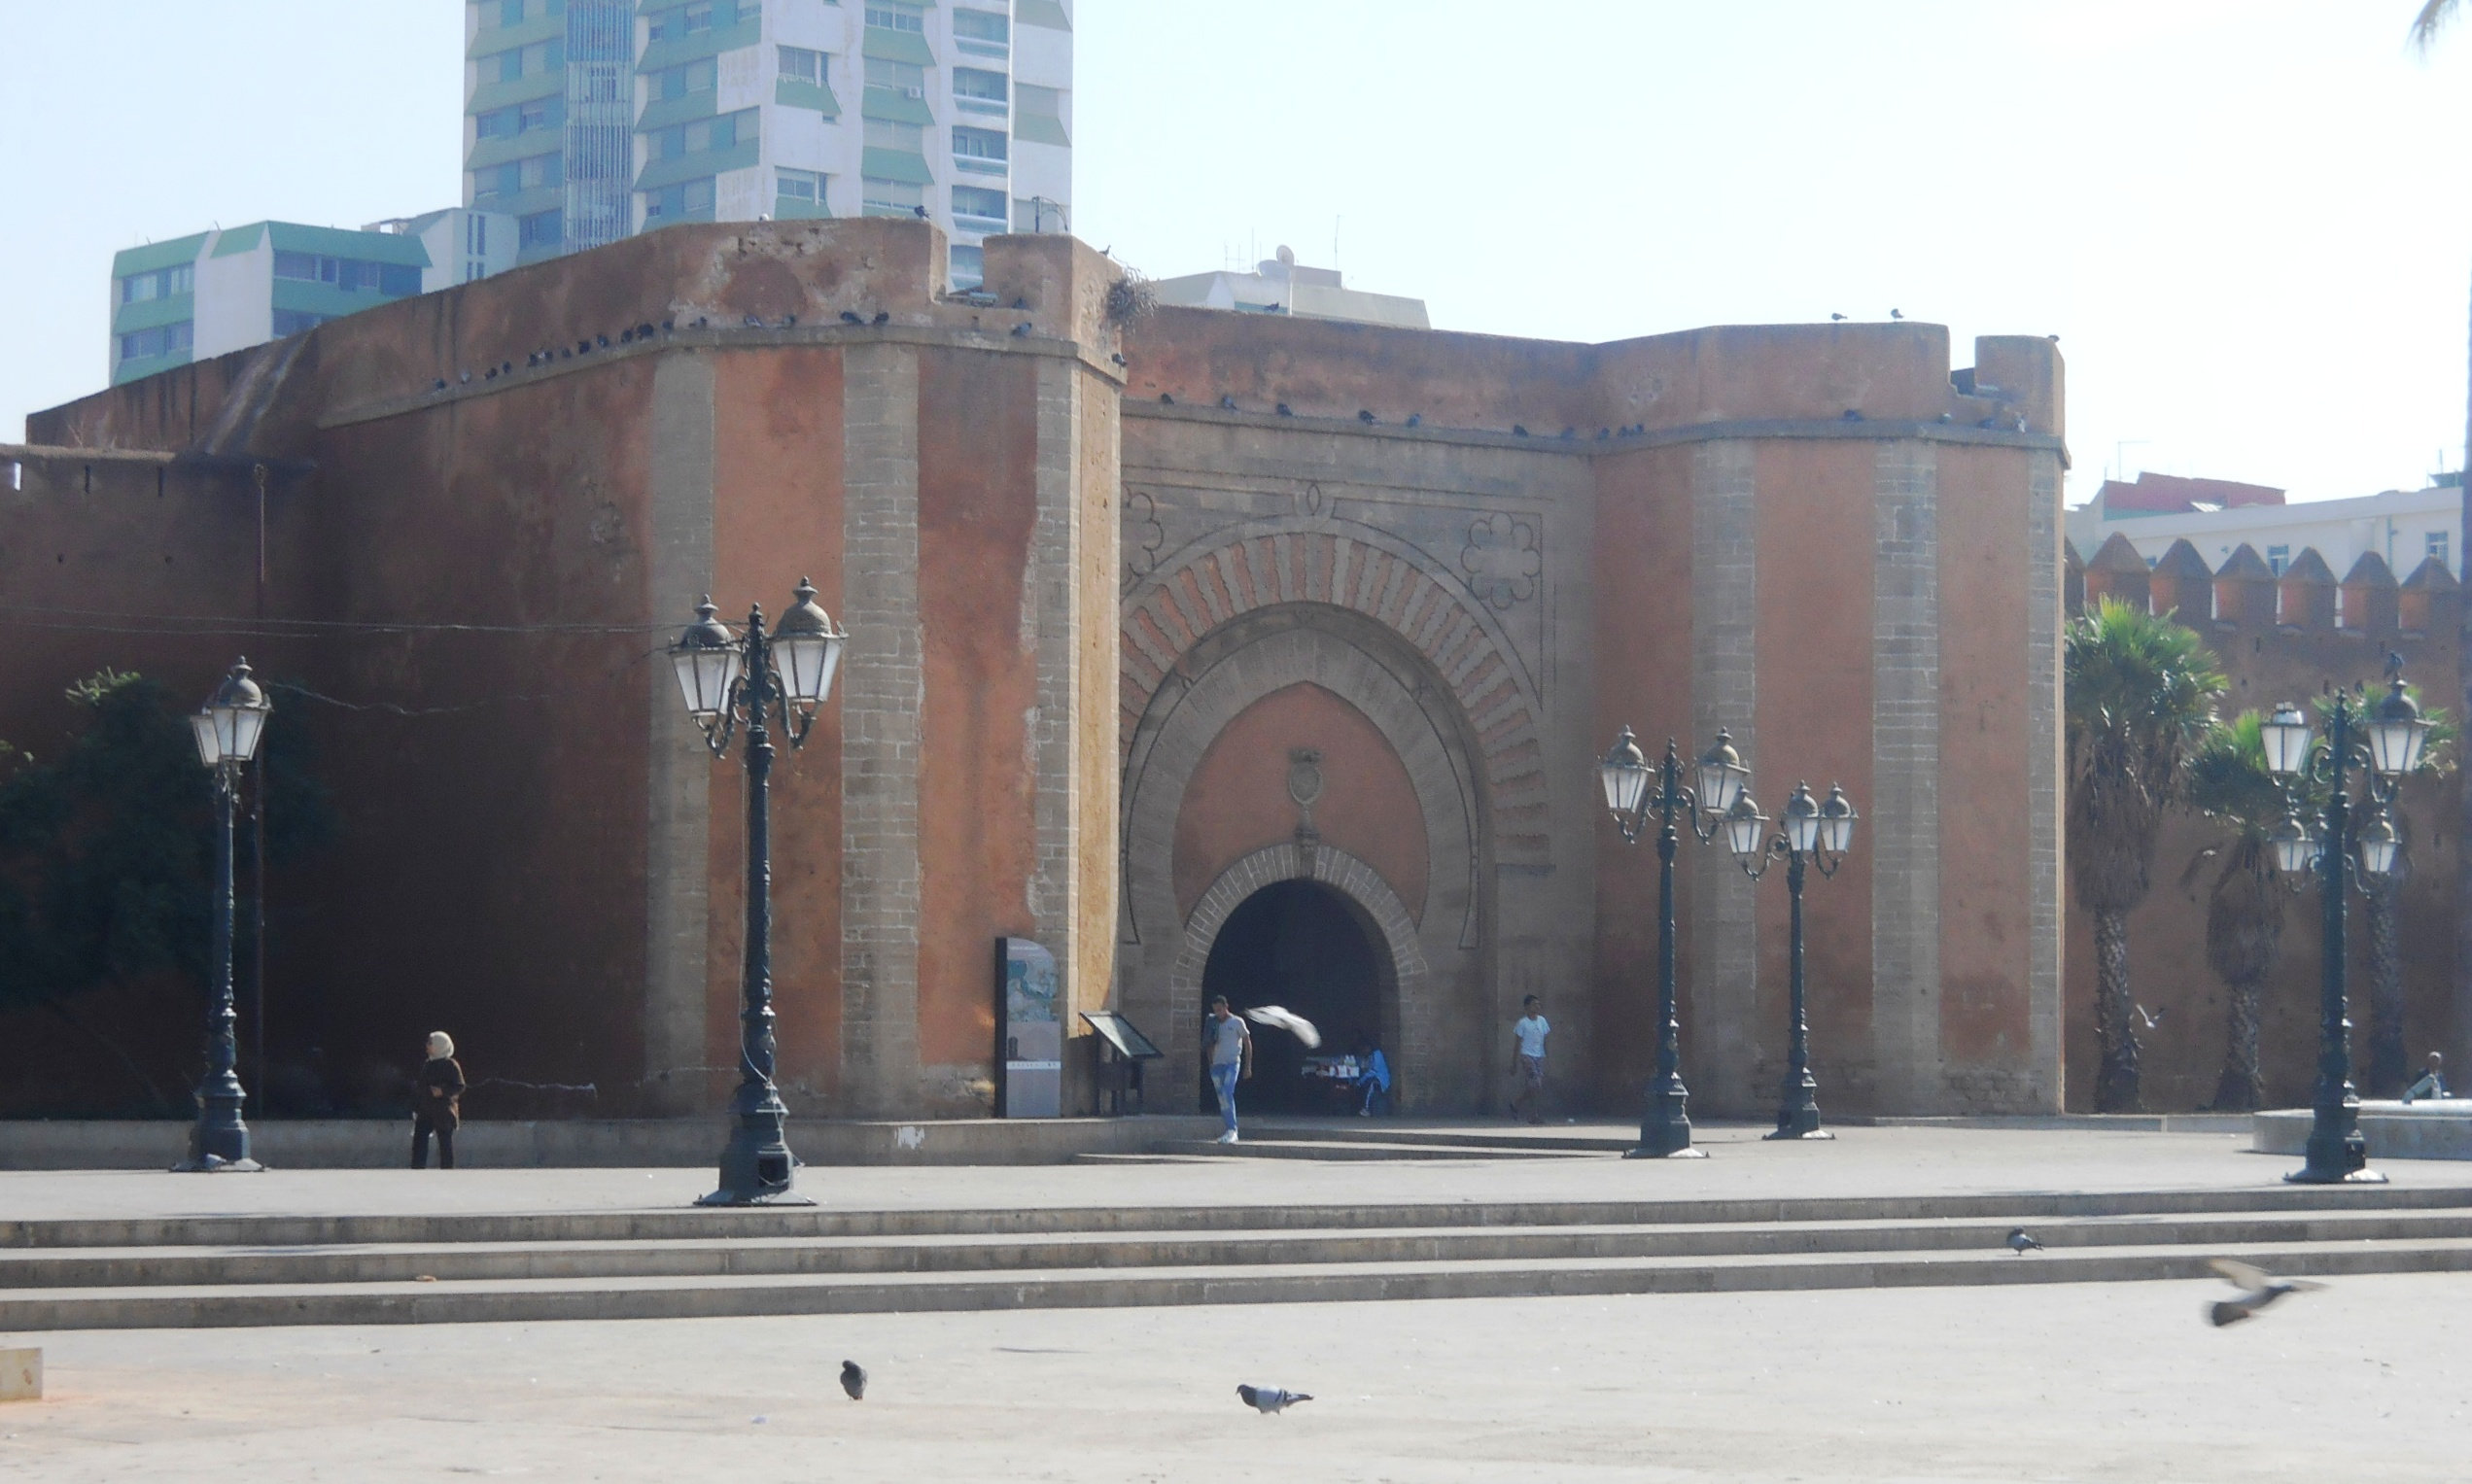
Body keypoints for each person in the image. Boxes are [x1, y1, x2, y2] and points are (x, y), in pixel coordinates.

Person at [1203, 995, 1252, 1144]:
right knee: (1222, 1099)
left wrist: (1247, 1066)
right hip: (1217, 1065)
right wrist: (1211, 1062)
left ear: (1226, 1007)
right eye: (1215, 1010)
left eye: (1220, 1010)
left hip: (1232, 1063)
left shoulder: (1237, 1022)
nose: (1218, 1013)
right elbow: (1208, 1042)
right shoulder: (1212, 1023)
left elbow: (1247, 1042)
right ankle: (1228, 1129)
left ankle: (1233, 1130)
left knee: (1227, 1092)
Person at [412, 1031, 465, 1170]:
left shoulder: (451, 1065)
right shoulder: (428, 1064)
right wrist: (416, 1107)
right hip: (426, 1109)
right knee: (419, 1140)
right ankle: (417, 1169)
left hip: (444, 1110)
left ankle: (447, 1171)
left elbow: (459, 1086)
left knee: (445, 1142)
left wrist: (443, 1091)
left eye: (430, 1043)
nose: (427, 1046)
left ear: (440, 1045)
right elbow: (421, 1087)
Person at [1509, 995, 1549, 1123]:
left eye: (1538, 1004)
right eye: (1534, 1004)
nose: (1537, 1007)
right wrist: (1514, 1063)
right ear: (1527, 1007)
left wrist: (1546, 1055)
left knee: (1535, 1087)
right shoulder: (1522, 1023)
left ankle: (1517, 1104)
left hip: (1539, 1056)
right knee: (1535, 1084)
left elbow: (1545, 1040)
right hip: (1527, 1055)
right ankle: (1533, 1115)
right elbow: (1517, 1043)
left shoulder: (1542, 1021)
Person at [1352, 1038, 1393, 1117]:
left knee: (1371, 1085)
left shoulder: (1377, 1054)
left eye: (1365, 1048)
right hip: (1371, 1077)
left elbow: (1373, 1071)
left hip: (1380, 1079)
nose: (1364, 1051)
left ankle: (1366, 1109)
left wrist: (1361, 1081)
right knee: (1362, 1086)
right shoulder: (1368, 1057)